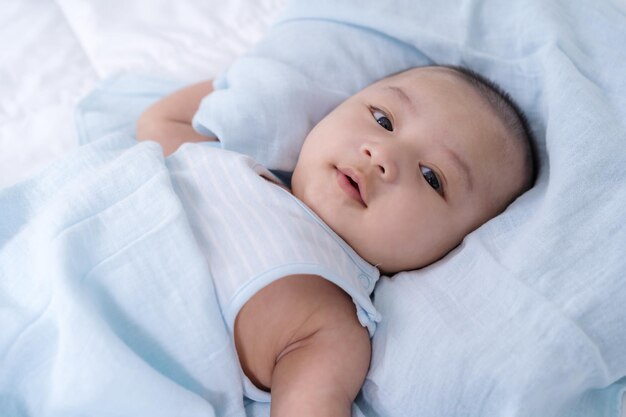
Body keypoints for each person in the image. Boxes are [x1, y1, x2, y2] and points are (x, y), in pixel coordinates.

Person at [136, 65, 536, 417]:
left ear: (449, 250)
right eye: (382, 119)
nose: (381, 153)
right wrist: (266, 76)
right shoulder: (229, 163)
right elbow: (159, 121)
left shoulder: (329, 324)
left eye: (432, 177)